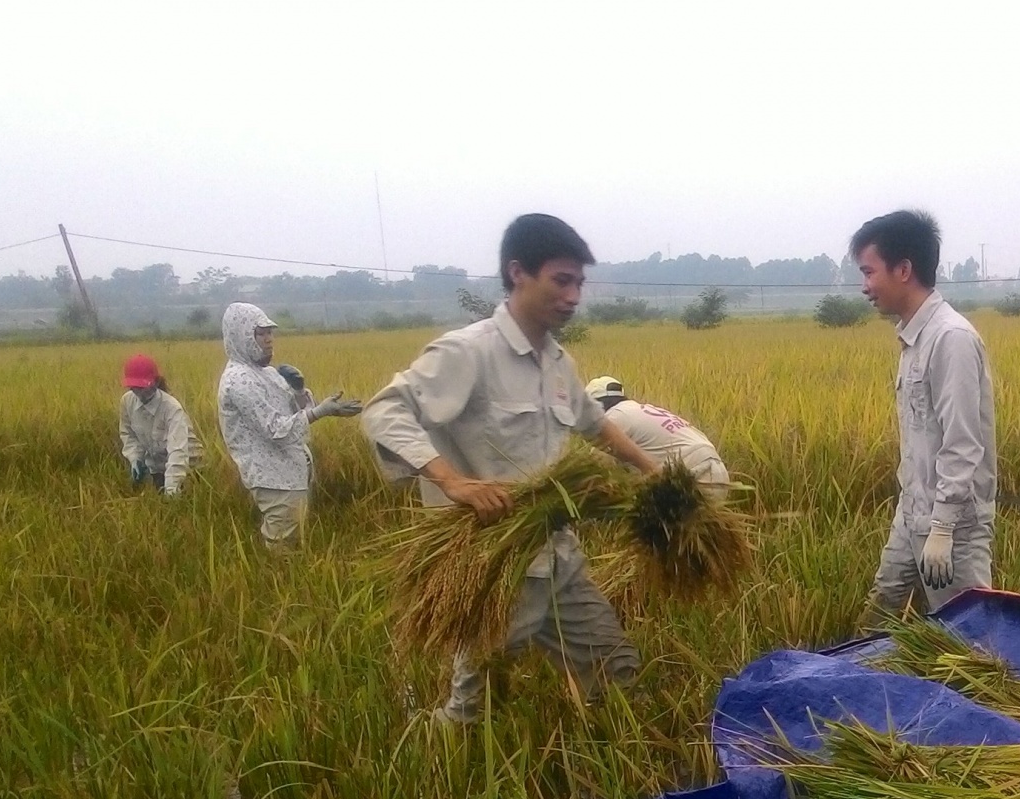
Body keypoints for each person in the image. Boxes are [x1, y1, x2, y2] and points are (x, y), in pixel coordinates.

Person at [361, 213, 661, 726]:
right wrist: (451, 481)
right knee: (476, 708)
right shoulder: (468, 351)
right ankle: (437, 749)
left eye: (579, 284)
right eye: (561, 281)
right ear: (518, 272)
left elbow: (595, 425)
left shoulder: (558, 362)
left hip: (558, 557)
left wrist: (653, 471)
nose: (573, 296)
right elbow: (383, 411)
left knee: (617, 670)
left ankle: (609, 750)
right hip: (497, 562)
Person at [851, 208, 995, 615]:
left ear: (903, 270)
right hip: (912, 513)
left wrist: (943, 527)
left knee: (967, 635)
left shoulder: (951, 338)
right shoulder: (914, 338)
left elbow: (962, 443)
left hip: (954, 527)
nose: (865, 287)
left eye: (869, 272)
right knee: (880, 615)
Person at [217, 304, 362, 546]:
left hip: (290, 470)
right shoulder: (239, 381)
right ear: (241, 336)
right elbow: (276, 429)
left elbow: (294, 411)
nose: (269, 340)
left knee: (295, 539)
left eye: (270, 333)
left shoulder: (266, 373)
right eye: (261, 333)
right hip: (273, 478)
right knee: (283, 547)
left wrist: (299, 391)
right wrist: (319, 412)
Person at [584, 376, 731, 499]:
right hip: (718, 471)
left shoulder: (613, 418)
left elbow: (597, 467)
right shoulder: (641, 409)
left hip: (689, 472)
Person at [118, 353, 202, 496]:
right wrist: (135, 458)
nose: (139, 394)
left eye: (142, 388)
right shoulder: (127, 402)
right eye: (134, 388)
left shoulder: (172, 408)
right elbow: (128, 434)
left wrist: (172, 490)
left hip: (189, 468)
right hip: (158, 468)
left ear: (156, 383)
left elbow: (178, 452)